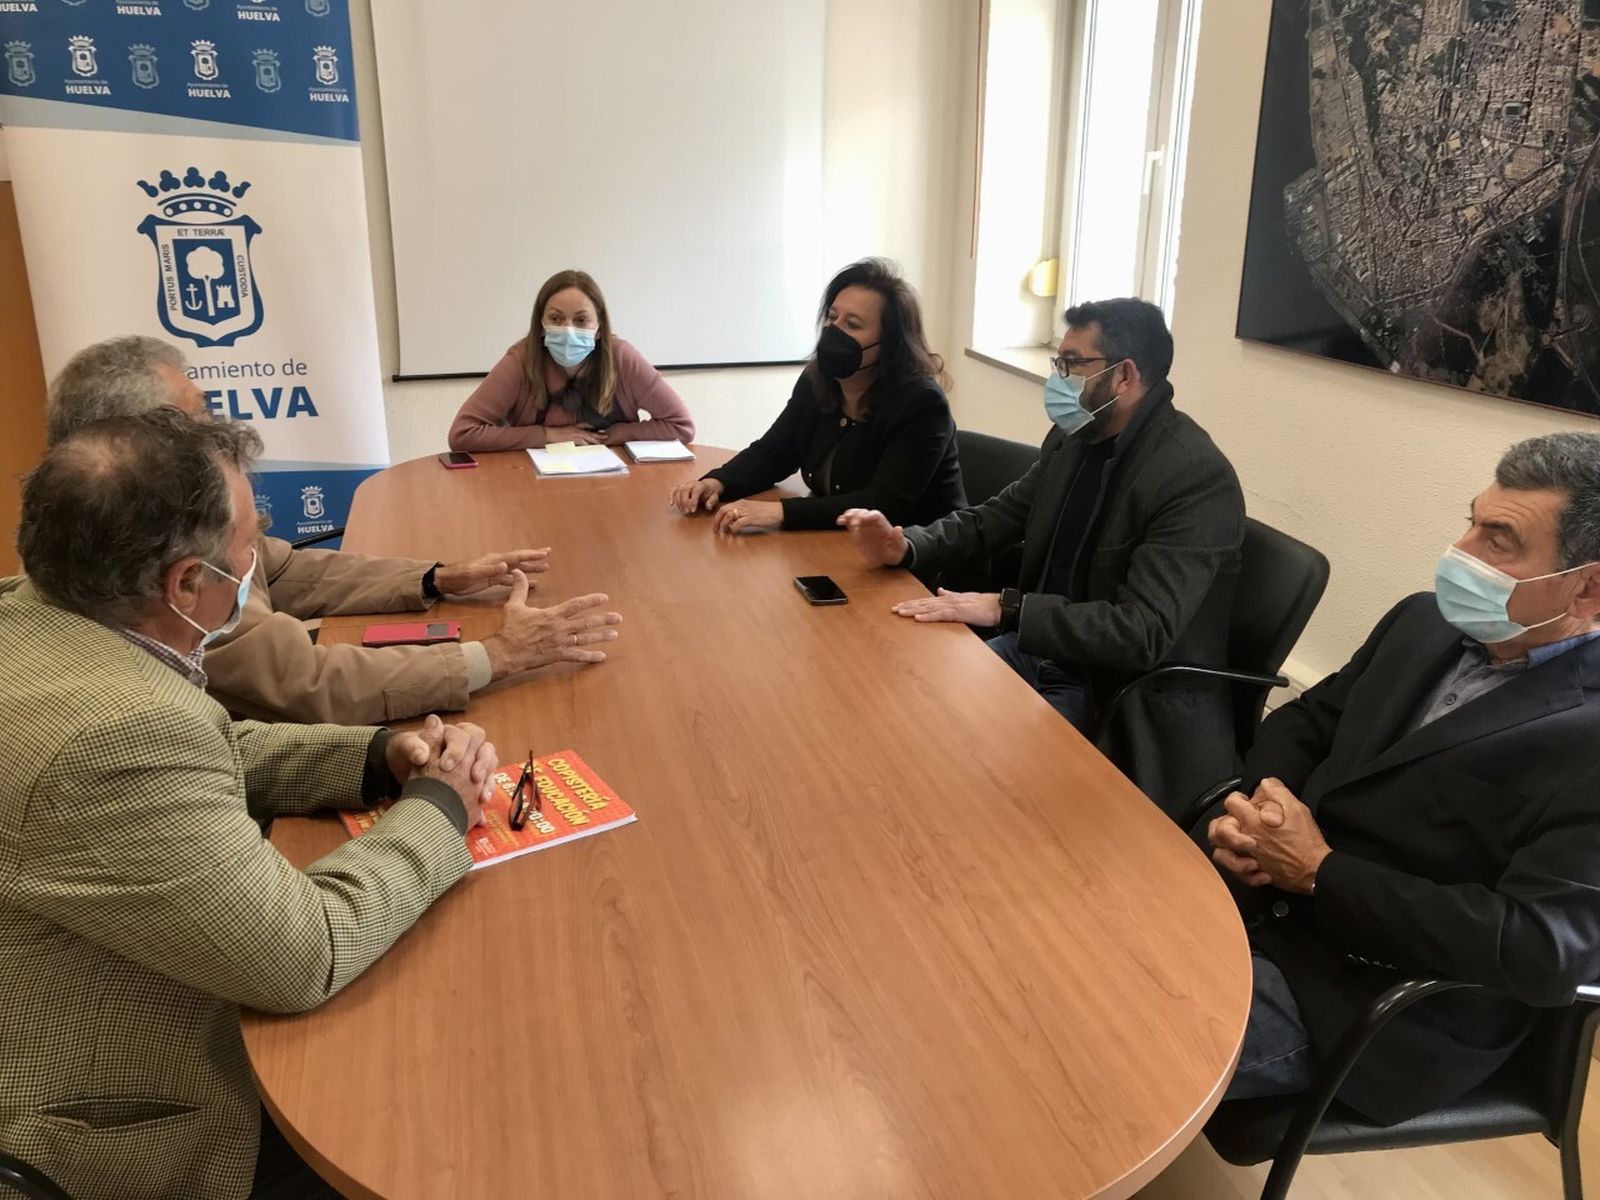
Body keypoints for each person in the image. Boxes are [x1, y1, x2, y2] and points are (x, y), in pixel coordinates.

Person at [0, 409, 499, 1200]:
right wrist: (441, 808)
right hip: (119, 1128)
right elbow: (304, 955)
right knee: (440, 1115)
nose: (256, 565)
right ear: (186, 584)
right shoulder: (115, 735)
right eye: (244, 555)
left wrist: (373, 756)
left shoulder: (34, 615)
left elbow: (207, 756)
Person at [1207, 431, 1600, 1126]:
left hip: (1371, 996)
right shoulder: (1424, 621)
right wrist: (1261, 812)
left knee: (1090, 1050)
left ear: (1587, 586)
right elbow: (1305, 724)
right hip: (1261, 900)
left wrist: (1320, 873)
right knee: (1063, 953)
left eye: (1498, 539)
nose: (1461, 551)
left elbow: (1538, 950)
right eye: (1471, 520)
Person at [34, 336, 622, 724]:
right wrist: (496, 655)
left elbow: (283, 567)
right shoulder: (150, 570)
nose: (218, 427)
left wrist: (435, 577)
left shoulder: (139, 517)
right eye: (199, 417)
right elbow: (311, 682)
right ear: (133, 443)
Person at [839, 297, 1244, 816]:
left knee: (977, 792)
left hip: (1109, 688)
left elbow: (1141, 631)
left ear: (1124, 376)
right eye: (1059, 361)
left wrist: (1008, 609)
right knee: (910, 719)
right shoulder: (1075, 436)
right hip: (1036, 650)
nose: (1059, 377)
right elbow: (996, 517)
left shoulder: (1193, 478)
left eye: (1073, 364)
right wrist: (908, 543)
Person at [668, 258, 966, 533]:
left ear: (889, 344)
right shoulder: (817, 380)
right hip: (842, 543)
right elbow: (774, 452)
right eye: (832, 317)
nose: (833, 331)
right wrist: (717, 482)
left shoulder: (922, 404)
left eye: (852, 325)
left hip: (922, 562)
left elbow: (884, 503)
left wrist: (779, 513)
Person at [448, 268, 695, 451]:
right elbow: (463, 434)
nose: (568, 329)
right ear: (541, 325)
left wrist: (614, 435)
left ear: (599, 328)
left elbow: (681, 426)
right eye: (556, 319)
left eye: (580, 320)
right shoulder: (521, 360)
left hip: (615, 483)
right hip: (530, 484)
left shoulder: (622, 357)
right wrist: (547, 435)